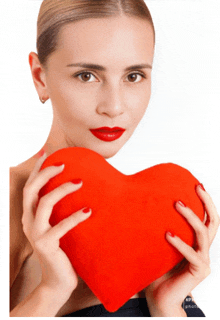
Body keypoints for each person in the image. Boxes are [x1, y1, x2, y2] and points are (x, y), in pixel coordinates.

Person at [9, 0, 220, 317]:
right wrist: (52, 291)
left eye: (134, 76)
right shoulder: (9, 196)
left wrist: (167, 304)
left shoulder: (155, 212)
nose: (114, 106)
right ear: (40, 77)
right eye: (86, 76)